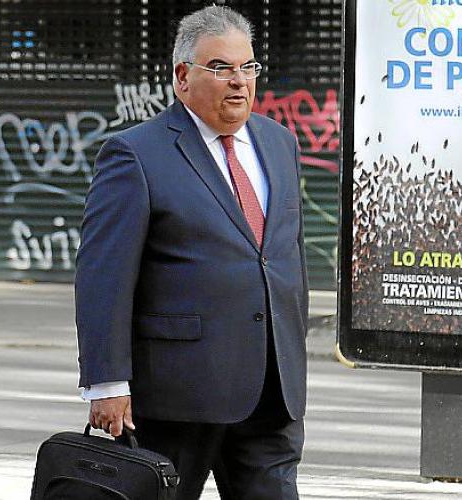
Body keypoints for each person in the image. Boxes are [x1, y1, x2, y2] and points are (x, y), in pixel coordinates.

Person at [74, 5, 308, 500]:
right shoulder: (135, 154)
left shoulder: (280, 143)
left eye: (247, 67)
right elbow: (103, 277)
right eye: (220, 68)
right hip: (178, 396)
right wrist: (107, 382)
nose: (239, 81)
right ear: (183, 77)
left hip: (271, 392)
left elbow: (285, 257)